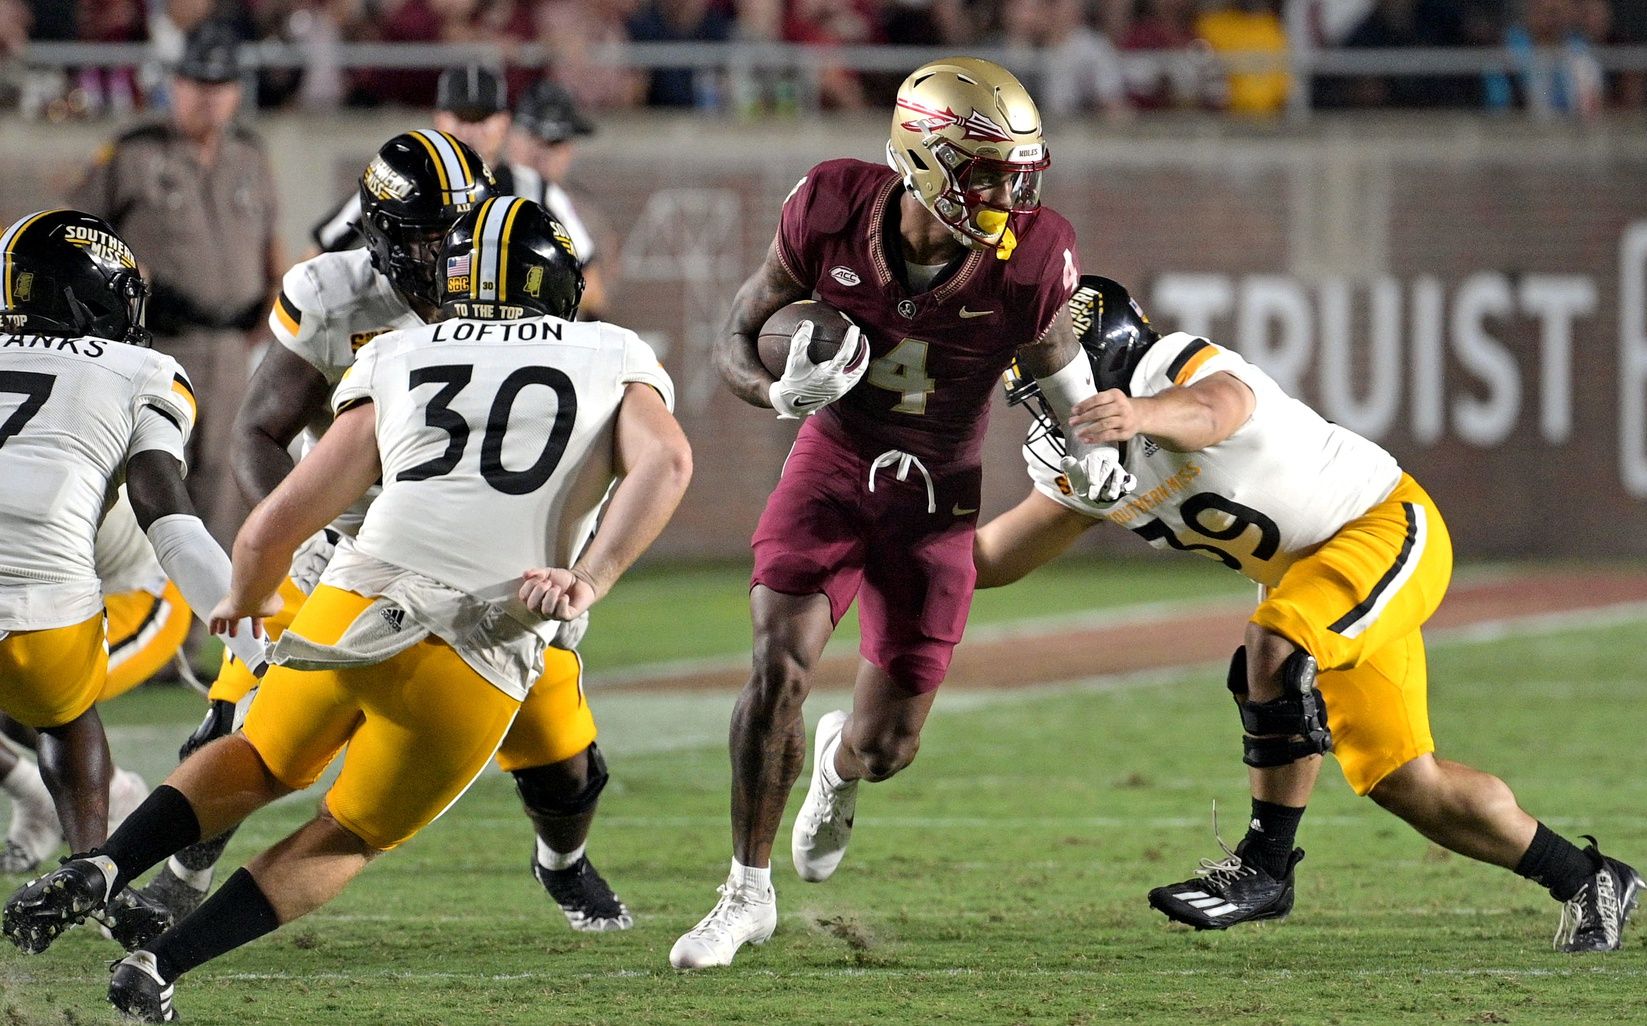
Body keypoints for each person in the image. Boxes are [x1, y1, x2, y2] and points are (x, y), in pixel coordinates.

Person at [1, 195, 692, 1023]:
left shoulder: (400, 352)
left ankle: (106, 865)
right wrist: (594, 575)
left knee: (254, 755)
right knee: (347, 832)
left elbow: (281, 515)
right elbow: (670, 463)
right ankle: (160, 963)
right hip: (479, 640)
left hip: (350, 601)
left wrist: (249, 597)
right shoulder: (612, 352)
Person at [974, 275, 1642, 953]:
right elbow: (991, 560)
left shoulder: (1170, 366)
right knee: (1406, 783)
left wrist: (1138, 415)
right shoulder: (1080, 459)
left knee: (1273, 644)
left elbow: (1214, 409)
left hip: (1382, 526)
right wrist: (888, 535)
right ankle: (1590, 878)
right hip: (1310, 579)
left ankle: (1264, 866)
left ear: (1099, 357)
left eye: (1054, 380)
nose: (1048, 409)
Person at [669, 56, 1133, 970]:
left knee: (888, 748)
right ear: (924, 158)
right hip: (832, 467)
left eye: (1017, 171)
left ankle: (839, 763)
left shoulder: (1034, 255)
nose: (1007, 191)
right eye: (987, 169)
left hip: (936, 499)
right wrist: (774, 393)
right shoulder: (830, 207)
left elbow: (1056, 372)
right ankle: (743, 895)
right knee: (776, 662)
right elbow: (732, 335)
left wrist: (1096, 452)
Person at [144, 133, 637, 938]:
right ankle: (177, 878)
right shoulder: (334, 295)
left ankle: (562, 864)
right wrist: (302, 531)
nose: (446, 250)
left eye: (458, 227)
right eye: (422, 234)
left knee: (566, 770)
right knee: (237, 729)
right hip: (342, 546)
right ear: (375, 232)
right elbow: (257, 435)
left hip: (491, 568)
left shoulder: (516, 282)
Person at [0, 209, 267, 955]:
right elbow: (167, 513)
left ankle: (86, 857)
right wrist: (246, 627)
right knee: (63, 708)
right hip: (52, 621)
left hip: (112, 592)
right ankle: (95, 866)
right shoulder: (141, 370)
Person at [71, 22, 282, 549]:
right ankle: (149, 612)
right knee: (155, 473)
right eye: (196, 83)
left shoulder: (250, 155)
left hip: (234, 347)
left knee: (224, 480)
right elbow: (73, 235)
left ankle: (204, 622)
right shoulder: (134, 154)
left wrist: (275, 298)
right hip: (160, 344)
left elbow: (270, 240)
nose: (208, 97)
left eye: (220, 85)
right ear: (175, 84)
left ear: (236, 91)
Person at [0, 490, 177, 874]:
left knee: (30, 687)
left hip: (137, 594)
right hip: (51, 593)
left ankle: (117, 802)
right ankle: (35, 798)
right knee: (16, 685)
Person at [314, 65, 527, 254]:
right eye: (461, 116)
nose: (470, 130)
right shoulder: (400, 182)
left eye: (481, 117)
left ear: (505, 122)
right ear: (438, 118)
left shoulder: (534, 190)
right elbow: (318, 254)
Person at [507, 79, 610, 319]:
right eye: (559, 143)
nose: (545, 153)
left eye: (560, 144)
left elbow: (594, 292)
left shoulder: (475, 186)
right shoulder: (546, 196)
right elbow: (592, 291)